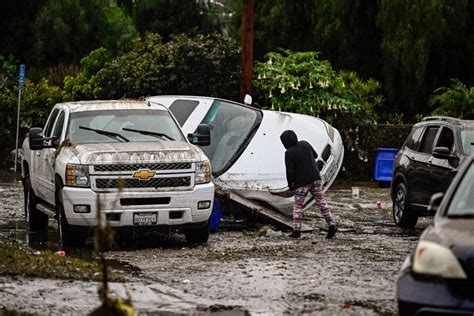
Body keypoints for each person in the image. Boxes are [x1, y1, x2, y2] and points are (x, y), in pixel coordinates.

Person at [280, 130, 337, 239]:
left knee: (298, 207)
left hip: (301, 183)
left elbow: (290, 171)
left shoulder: (289, 153)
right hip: (315, 178)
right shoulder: (304, 144)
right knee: (321, 202)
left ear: (285, 142)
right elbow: (315, 156)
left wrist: (291, 185)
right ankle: (332, 225)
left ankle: (296, 231)